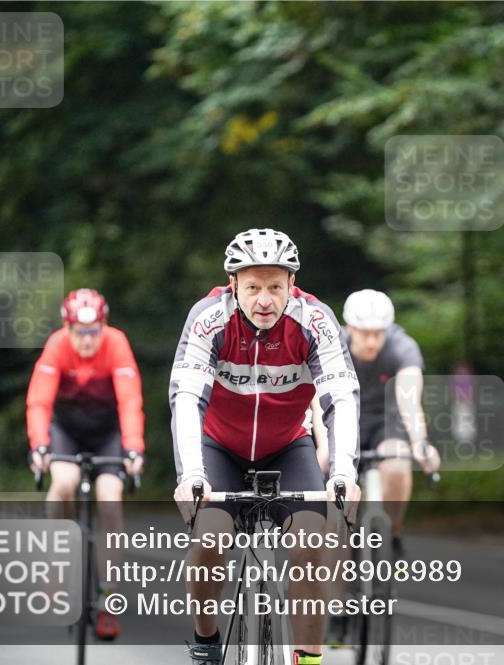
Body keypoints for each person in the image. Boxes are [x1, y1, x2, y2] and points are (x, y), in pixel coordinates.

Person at [170, 228, 361, 665]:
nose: (264, 300)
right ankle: (206, 640)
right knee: (209, 540)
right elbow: (187, 397)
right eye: (253, 287)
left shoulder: (315, 321)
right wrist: (192, 474)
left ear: (292, 284)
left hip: (287, 447)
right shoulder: (208, 318)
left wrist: (343, 472)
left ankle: (309, 660)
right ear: (232, 283)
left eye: (275, 287)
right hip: (219, 447)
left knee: (311, 545)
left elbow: (341, 398)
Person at [26, 288, 146, 641]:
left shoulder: (116, 344)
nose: (88, 340)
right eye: (80, 332)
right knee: (63, 483)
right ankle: (55, 567)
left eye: (94, 332)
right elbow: (39, 402)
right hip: (67, 429)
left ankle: (109, 598)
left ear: (104, 327)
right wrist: (39, 445)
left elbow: (130, 402)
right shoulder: (57, 345)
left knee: (110, 498)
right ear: (68, 328)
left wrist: (134, 448)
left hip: (107, 430)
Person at [337, 289, 440, 557]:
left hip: (387, 421)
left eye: (379, 333)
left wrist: (420, 442)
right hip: (344, 418)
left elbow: (410, 400)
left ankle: (393, 529)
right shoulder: (333, 345)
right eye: (364, 333)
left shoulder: (402, 347)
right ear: (350, 328)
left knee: (397, 463)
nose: (372, 341)